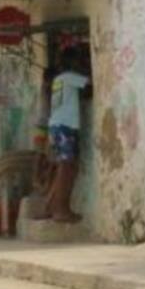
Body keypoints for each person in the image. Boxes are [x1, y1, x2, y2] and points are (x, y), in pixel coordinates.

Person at [46, 48, 91, 223]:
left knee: (65, 168)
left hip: (56, 126)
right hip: (66, 127)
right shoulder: (70, 77)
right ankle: (60, 209)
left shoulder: (58, 80)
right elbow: (92, 84)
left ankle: (52, 205)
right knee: (66, 168)